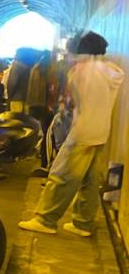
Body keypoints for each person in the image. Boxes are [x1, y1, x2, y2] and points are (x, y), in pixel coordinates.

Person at [19, 31, 124, 236]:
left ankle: (45, 219)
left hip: (82, 131)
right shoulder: (111, 71)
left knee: (62, 175)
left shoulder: (80, 71)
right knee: (90, 180)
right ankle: (83, 223)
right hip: (101, 131)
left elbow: (72, 104)